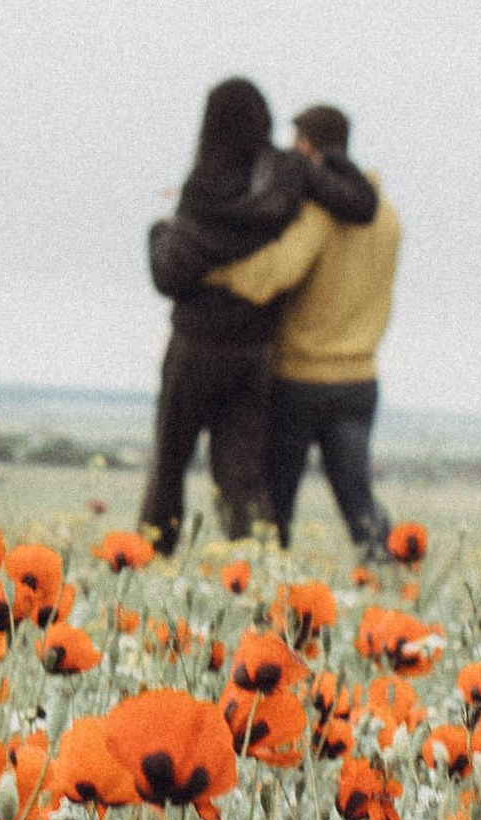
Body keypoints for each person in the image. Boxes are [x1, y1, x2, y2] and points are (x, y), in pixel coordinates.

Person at [139, 80, 375, 549]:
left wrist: (157, 231)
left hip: (195, 346)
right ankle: (255, 577)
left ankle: (151, 559)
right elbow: (360, 204)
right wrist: (330, 156)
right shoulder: (290, 173)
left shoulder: (201, 187)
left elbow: (168, 275)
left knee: (169, 467)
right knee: (242, 480)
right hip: (253, 351)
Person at [208, 102, 401, 555]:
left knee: (277, 507)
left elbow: (272, 275)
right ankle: (397, 586)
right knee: (358, 501)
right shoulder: (388, 217)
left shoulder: (319, 214)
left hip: (300, 380)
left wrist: (208, 269)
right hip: (360, 380)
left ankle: (273, 596)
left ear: (310, 150)